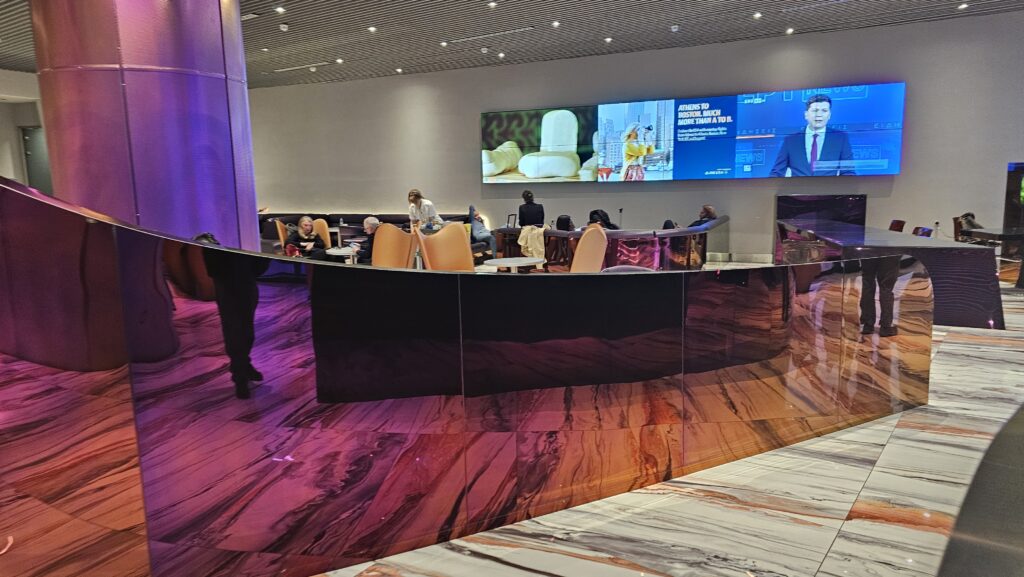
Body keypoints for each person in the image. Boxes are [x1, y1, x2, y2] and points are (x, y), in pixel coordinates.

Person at [195, 233, 270, 399]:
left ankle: (243, 365)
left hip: (245, 280)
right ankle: (239, 375)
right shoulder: (214, 235)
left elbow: (259, 263)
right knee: (234, 328)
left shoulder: (245, 231)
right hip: (227, 283)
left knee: (246, 329)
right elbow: (212, 264)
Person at [770, 94, 855, 177]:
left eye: (824, 111)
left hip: (829, 190)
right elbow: (777, 173)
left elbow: (848, 173)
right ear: (806, 114)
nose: (819, 114)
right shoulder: (790, 141)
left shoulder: (840, 138)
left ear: (829, 115)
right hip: (797, 190)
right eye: (815, 110)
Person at [860, 255, 900, 337]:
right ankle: (886, 326)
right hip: (890, 249)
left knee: (868, 282)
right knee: (886, 286)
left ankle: (867, 324)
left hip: (869, 248)